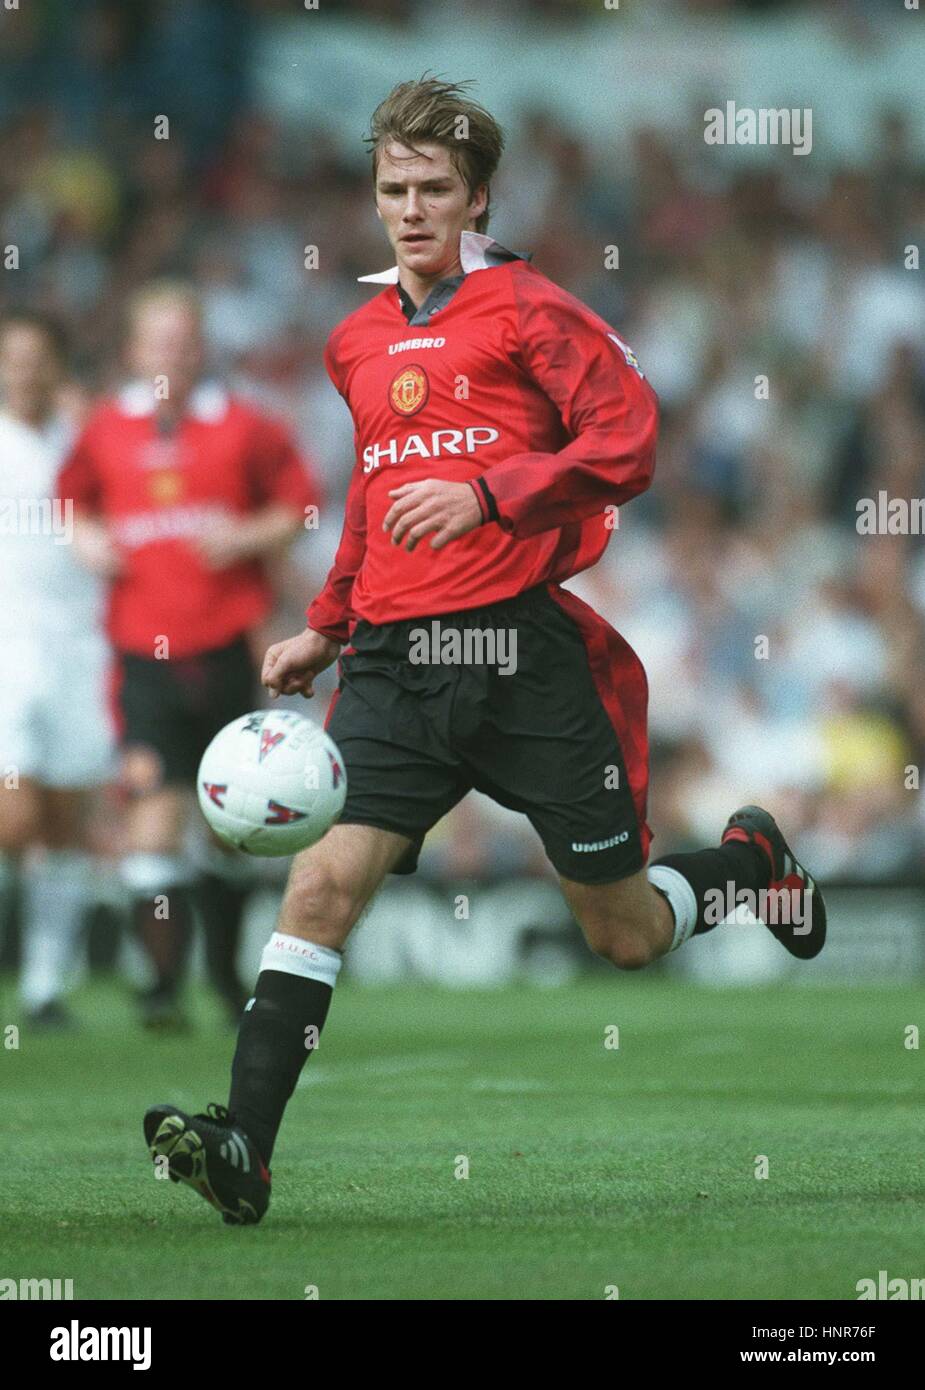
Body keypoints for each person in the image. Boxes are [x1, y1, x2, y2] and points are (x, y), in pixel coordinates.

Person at [143, 78, 825, 1224]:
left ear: (478, 199)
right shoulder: (355, 341)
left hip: (522, 663)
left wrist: (492, 493)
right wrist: (326, 621)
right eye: (394, 190)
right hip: (394, 672)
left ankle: (752, 865)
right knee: (319, 887)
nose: (411, 210)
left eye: (434, 191)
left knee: (622, 934)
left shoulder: (529, 310)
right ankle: (243, 1147)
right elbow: (372, 495)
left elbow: (631, 440)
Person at [58, 282, 319, 1028]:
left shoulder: (246, 428)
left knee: (230, 823)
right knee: (152, 815)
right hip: (141, 654)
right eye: (156, 340)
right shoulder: (107, 428)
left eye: (182, 340)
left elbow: (300, 506)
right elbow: (69, 499)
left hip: (227, 650)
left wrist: (247, 536)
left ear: (200, 347)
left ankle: (225, 969)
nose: (169, 353)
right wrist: (83, 539)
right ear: (135, 349)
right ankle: (161, 989)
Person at [0, 311, 113, 1029]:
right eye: (13, 357)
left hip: (84, 645)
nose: (26, 370)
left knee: (69, 820)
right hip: (9, 646)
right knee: (16, 817)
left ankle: (44, 984)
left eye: (39, 357)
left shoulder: (89, 440)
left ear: (59, 365)